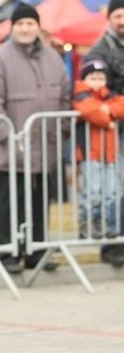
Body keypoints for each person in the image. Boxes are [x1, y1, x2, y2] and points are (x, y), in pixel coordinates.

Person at [0, 3, 70, 274]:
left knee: (42, 200)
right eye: (20, 24)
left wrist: (62, 127)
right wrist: (7, 136)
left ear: (38, 26)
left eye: (30, 23)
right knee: (11, 199)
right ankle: (8, 252)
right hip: (14, 148)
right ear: (13, 26)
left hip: (46, 146)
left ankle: (37, 250)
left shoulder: (53, 58)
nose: (26, 28)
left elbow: (65, 97)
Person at [88, 0, 124, 267]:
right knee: (115, 188)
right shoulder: (99, 50)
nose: (122, 21)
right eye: (118, 15)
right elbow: (96, 89)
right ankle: (112, 244)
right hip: (111, 130)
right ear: (109, 18)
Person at [73, 58, 124, 240]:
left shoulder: (109, 96)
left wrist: (107, 112)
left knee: (111, 192)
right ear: (85, 79)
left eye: (101, 78)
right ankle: (87, 223)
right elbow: (89, 111)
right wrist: (107, 118)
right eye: (93, 78)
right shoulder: (80, 95)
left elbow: (121, 105)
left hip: (109, 154)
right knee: (92, 192)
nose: (97, 82)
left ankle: (105, 224)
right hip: (90, 153)